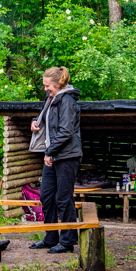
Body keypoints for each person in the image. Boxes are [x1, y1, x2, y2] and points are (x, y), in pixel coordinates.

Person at [28, 66, 81, 253]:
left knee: (63, 198)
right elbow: (48, 120)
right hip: (53, 154)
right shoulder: (52, 99)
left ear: (58, 84)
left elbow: (66, 131)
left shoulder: (67, 101)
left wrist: (49, 152)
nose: (45, 89)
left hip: (67, 156)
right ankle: (51, 237)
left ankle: (67, 241)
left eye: (47, 85)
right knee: (47, 196)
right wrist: (35, 121)